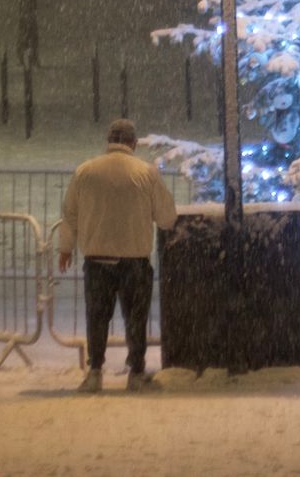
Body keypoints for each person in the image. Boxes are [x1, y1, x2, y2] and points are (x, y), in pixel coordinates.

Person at [53, 118, 178, 393]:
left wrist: (65, 248)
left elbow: (70, 214)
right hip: (134, 259)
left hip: (97, 259)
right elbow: (167, 218)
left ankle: (95, 370)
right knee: (136, 317)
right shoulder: (146, 173)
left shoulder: (86, 171)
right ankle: (136, 372)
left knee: (97, 316)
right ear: (132, 143)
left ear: (109, 141)